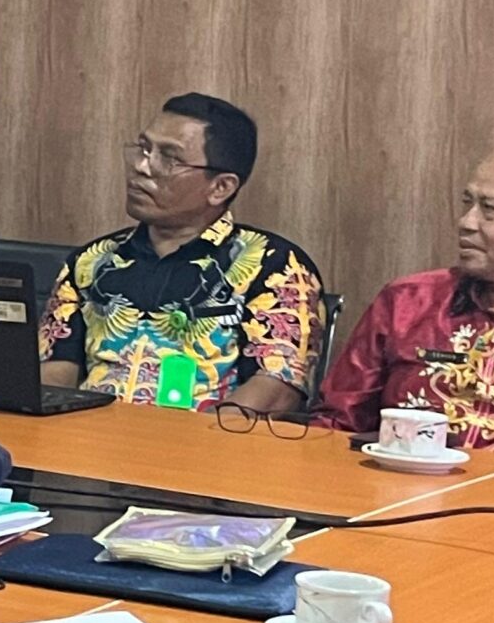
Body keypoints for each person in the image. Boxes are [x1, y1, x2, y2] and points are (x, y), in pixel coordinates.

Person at [316, 138, 494, 453]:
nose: (466, 222)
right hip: (403, 481)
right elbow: (336, 426)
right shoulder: (408, 302)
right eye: (468, 203)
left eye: (491, 210)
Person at [41, 94, 325, 413]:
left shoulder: (273, 264)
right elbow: (56, 369)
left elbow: (277, 387)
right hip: (87, 436)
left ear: (220, 187)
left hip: (208, 438)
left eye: (169, 159)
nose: (141, 167)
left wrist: (203, 438)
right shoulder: (93, 260)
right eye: (143, 149)